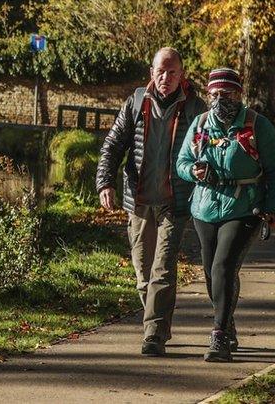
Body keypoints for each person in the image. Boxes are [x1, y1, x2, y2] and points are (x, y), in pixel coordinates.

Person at [96, 47, 207, 357]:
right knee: (144, 274)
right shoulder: (135, 103)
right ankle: (157, 322)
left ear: (182, 75)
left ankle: (154, 335)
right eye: (161, 71)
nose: (165, 78)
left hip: (175, 201)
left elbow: (207, 149)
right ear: (151, 72)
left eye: (172, 72)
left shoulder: (196, 109)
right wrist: (105, 182)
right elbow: (113, 146)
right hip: (140, 199)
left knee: (163, 269)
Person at [176, 67, 275, 362]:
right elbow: (182, 162)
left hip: (244, 206)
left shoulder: (257, 125)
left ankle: (219, 336)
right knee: (211, 272)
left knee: (223, 265)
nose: (218, 100)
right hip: (204, 207)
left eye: (225, 94)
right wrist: (193, 170)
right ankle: (227, 320)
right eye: (213, 94)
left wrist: (274, 209)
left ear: (239, 94)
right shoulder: (200, 124)